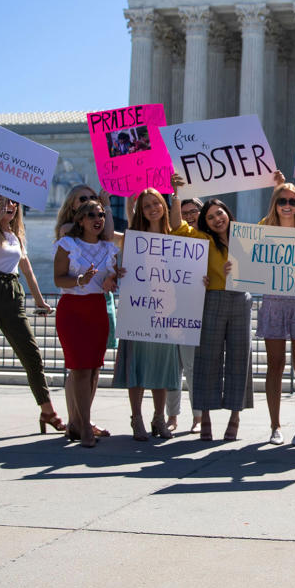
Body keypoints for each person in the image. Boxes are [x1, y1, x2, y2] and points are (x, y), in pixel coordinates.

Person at [0, 195, 64, 437]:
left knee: (31, 354)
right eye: (0, 203)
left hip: (12, 293)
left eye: (11, 203)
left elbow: (27, 270)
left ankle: (47, 411)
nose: (8, 206)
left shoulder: (16, 236)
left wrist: (39, 301)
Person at [113, 189, 184, 441]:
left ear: (164, 205)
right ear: (139, 211)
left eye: (156, 203)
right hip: (139, 309)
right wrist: (119, 271)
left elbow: (185, 271)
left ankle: (158, 417)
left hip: (166, 310)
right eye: (146, 206)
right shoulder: (134, 236)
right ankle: (137, 418)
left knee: (162, 368)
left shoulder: (174, 236)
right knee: (138, 366)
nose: (153, 208)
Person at [53, 199, 120, 447]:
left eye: (100, 214)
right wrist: (81, 280)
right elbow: (59, 279)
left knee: (93, 369)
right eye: (91, 214)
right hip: (73, 309)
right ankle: (84, 426)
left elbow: (112, 276)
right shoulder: (68, 244)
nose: (97, 218)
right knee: (79, 368)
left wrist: (111, 279)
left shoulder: (108, 248)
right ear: (80, 220)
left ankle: (78, 423)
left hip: (97, 308)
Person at [257, 181, 295, 445]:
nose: (287, 206)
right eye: (282, 201)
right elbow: (250, 264)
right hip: (273, 302)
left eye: (292, 201)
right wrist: (234, 269)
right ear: (275, 205)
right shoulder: (262, 231)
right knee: (275, 365)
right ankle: (275, 426)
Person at [193, 198, 254, 440]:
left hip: (241, 299)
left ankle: (235, 416)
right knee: (207, 358)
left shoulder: (246, 237)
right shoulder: (203, 240)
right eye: (210, 217)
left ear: (228, 213)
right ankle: (205, 416)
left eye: (220, 214)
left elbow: (262, 264)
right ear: (205, 222)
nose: (217, 219)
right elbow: (177, 226)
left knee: (240, 358)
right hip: (213, 298)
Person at [165, 196, 205, 435]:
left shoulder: (210, 239)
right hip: (171, 306)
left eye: (194, 211)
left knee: (191, 366)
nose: (190, 216)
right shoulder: (171, 237)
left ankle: (198, 416)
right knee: (172, 366)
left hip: (198, 307)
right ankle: (172, 416)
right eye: (184, 211)